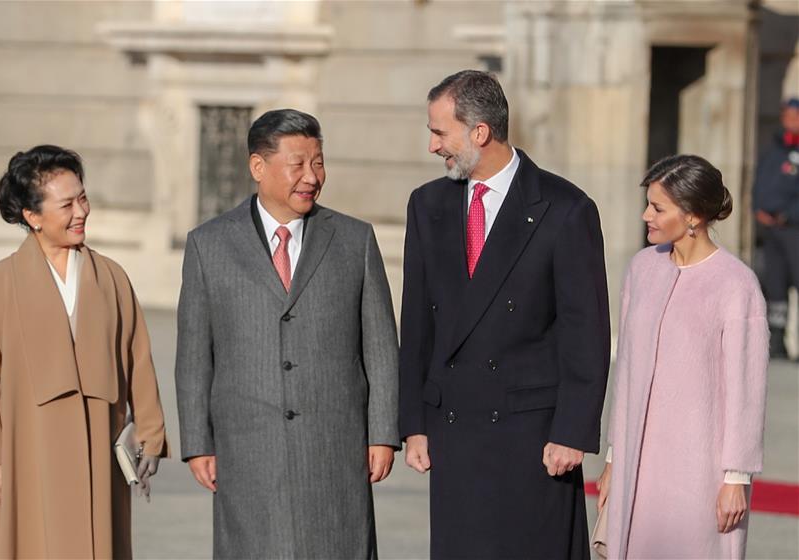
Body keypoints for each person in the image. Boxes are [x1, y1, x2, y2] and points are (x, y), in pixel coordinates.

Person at [399, 70, 611, 558]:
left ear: (479, 132)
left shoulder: (565, 208)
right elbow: (417, 325)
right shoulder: (426, 205)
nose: (432, 147)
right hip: (453, 429)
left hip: (532, 439)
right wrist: (414, 422)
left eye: (439, 132)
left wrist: (572, 432)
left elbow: (586, 331)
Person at [175, 108, 399, 559]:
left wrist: (382, 433)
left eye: (318, 162)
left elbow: (380, 346)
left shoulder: (354, 240)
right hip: (247, 447)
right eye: (297, 164)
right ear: (258, 167)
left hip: (335, 444)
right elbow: (195, 354)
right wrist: (198, 442)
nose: (311, 176)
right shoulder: (209, 244)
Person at [0, 145, 169, 559]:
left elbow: (139, 360)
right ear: (33, 216)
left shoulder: (112, 278)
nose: (81, 211)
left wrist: (150, 435)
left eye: (83, 198)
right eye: (67, 204)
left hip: (100, 444)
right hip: (28, 449)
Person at [596, 155, 769, 558]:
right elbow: (627, 376)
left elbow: (746, 391)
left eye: (657, 208)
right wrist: (613, 457)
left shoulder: (736, 285)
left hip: (699, 472)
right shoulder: (641, 269)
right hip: (636, 463)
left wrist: (736, 478)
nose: (645, 215)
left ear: (692, 216)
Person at [753, 97, 799, 360]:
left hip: (794, 228)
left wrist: (787, 215)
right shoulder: (773, 148)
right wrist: (757, 207)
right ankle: (778, 343)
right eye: (786, 115)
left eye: (794, 115)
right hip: (771, 231)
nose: (789, 120)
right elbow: (759, 182)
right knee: (775, 285)